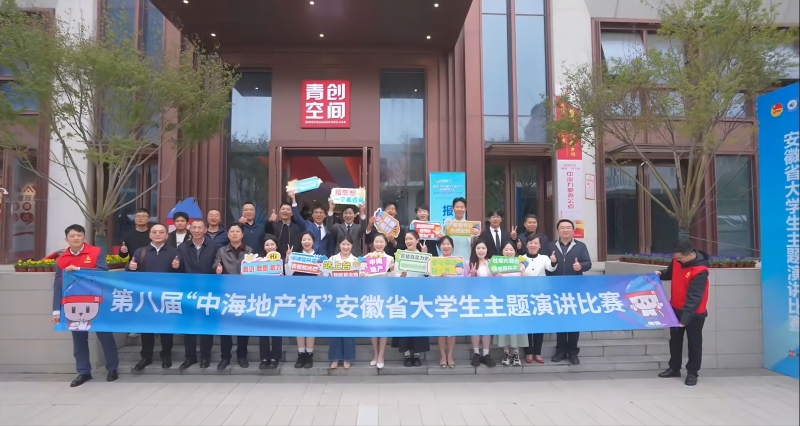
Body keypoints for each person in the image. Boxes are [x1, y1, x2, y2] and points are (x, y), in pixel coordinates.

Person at [52, 224, 118, 387]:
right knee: (79, 338)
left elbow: (103, 271)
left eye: (79, 235)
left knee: (105, 335)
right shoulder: (61, 259)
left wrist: (79, 269)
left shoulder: (96, 252)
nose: (76, 238)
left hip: (97, 301)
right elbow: (58, 285)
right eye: (72, 236)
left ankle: (112, 368)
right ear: (66, 239)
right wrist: (56, 310)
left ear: (84, 237)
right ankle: (83, 371)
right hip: (74, 303)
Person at [126, 224, 181, 371]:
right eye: (154, 232)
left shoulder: (174, 252)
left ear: (166, 235)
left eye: (161, 232)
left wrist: (178, 267)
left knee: (166, 328)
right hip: (146, 296)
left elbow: (181, 274)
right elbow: (131, 268)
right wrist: (130, 267)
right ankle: (146, 356)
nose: (157, 234)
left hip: (166, 296)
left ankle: (166, 355)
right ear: (150, 235)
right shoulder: (141, 251)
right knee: (146, 327)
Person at [656, 239, 710, 387]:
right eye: (676, 257)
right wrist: (661, 273)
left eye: (680, 258)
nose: (678, 260)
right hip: (675, 308)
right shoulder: (677, 260)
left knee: (694, 343)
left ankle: (692, 372)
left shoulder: (700, 270)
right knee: (675, 340)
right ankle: (674, 368)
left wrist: (685, 319)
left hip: (694, 313)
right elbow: (671, 273)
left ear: (690, 254)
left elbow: (695, 298)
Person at [548, 219, 592, 365]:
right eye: (562, 228)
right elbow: (546, 266)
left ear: (573, 230)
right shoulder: (550, 246)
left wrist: (581, 266)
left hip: (575, 290)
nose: (565, 230)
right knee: (560, 320)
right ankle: (560, 351)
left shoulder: (580, 246)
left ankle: (573, 352)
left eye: (568, 227)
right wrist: (552, 262)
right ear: (558, 230)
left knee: (574, 321)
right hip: (557, 289)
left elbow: (588, 263)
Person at [176, 219, 217, 369]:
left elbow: (216, 266)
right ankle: (190, 357)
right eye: (194, 228)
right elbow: (179, 269)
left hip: (208, 292)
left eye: (200, 228)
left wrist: (217, 269)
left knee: (206, 326)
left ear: (205, 230)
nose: (197, 230)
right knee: (189, 326)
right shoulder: (182, 247)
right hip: (188, 292)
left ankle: (205, 356)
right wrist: (176, 266)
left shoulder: (213, 247)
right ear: (190, 229)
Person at [213, 223, 254, 370]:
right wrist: (217, 269)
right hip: (226, 293)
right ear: (228, 234)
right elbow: (215, 265)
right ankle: (225, 357)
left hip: (244, 294)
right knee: (226, 327)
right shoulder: (221, 250)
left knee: (243, 327)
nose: (235, 233)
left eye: (237, 231)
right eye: (232, 231)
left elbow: (256, 269)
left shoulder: (249, 251)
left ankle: (242, 356)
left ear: (242, 234)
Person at [391, 231, 430, 367]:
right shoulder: (400, 256)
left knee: (418, 325)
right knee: (404, 325)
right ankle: (407, 355)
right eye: (406, 239)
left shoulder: (424, 256)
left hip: (419, 296)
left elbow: (429, 275)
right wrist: (401, 276)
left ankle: (417, 355)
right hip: (403, 296)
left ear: (417, 240)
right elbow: (394, 275)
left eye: (411, 239)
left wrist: (425, 256)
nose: (408, 241)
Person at [286, 231, 321, 368]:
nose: (306, 242)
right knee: (299, 324)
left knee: (311, 324)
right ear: (301, 242)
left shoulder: (319, 257)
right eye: (304, 239)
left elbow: (324, 277)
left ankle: (309, 354)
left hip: (313, 295)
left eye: (309, 239)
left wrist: (321, 270)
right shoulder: (295, 256)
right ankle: (301, 353)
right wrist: (288, 259)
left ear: (313, 241)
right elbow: (288, 274)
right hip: (298, 294)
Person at [521, 236, 556, 364]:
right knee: (527, 325)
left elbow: (551, 268)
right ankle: (528, 352)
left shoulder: (544, 258)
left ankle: (538, 352)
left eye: (536, 243)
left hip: (540, 295)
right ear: (527, 245)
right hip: (526, 295)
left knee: (539, 325)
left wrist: (554, 261)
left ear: (540, 246)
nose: (533, 245)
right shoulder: (521, 258)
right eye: (531, 243)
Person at [363, 233, 395, 369]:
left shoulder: (389, 259)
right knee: (373, 327)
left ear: (386, 243)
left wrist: (393, 269)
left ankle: (381, 355)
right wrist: (362, 274)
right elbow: (361, 276)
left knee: (383, 327)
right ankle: (375, 355)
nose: (379, 244)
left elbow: (394, 278)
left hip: (384, 295)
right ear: (373, 243)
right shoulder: (366, 258)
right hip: (370, 295)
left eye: (381, 242)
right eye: (376, 241)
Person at [327, 236, 359, 370]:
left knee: (348, 329)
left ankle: (347, 357)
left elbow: (360, 279)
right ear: (339, 245)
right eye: (343, 244)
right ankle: (335, 357)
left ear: (352, 246)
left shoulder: (356, 261)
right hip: (335, 298)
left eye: (348, 244)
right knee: (335, 328)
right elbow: (325, 275)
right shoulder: (332, 260)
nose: (346, 247)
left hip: (350, 299)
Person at [494, 241, 527, 366]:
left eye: (511, 250)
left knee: (517, 327)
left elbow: (524, 283)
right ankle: (506, 353)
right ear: (502, 251)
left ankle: (516, 354)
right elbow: (493, 284)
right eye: (506, 249)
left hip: (517, 301)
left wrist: (523, 276)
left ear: (515, 251)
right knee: (504, 328)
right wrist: (499, 277)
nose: (508, 252)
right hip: (503, 301)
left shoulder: (520, 264)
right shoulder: (496, 265)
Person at [466, 239, 498, 368]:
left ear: (487, 250)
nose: (481, 250)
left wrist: (497, 275)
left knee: (486, 327)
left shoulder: (492, 263)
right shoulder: (469, 264)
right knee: (476, 327)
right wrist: (472, 275)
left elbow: (497, 280)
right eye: (478, 248)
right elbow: (463, 282)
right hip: (474, 300)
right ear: (474, 250)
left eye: (483, 248)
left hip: (489, 299)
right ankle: (476, 353)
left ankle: (486, 353)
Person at [435, 235, 462, 368]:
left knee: (451, 330)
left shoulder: (458, 261)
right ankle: (442, 355)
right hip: (439, 299)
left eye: (448, 244)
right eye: (443, 244)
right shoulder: (435, 262)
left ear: (452, 246)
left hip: (453, 299)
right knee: (441, 329)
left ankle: (450, 355)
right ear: (439, 247)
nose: (446, 246)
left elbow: (462, 279)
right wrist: (439, 279)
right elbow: (430, 282)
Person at [259, 234, 283, 370]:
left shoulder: (282, 261)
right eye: (267, 245)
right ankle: (264, 357)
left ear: (276, 246)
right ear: (264, 247)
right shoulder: (258, 261)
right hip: (262, 299)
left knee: (276, 329)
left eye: (272, 244)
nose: (270, 247)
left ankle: (275, 357)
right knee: (263, 329)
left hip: (278, 299)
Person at [289, 192, 335, 257]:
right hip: (310, 258)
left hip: (323, 259)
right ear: (312, 215)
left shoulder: (327, 229)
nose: (318, 215)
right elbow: (297, 217)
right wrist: (293, 200)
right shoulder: (307, 225)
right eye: (316, 212)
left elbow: (330, 246)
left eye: (321, 213)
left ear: (325, 215)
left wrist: (331, 209)